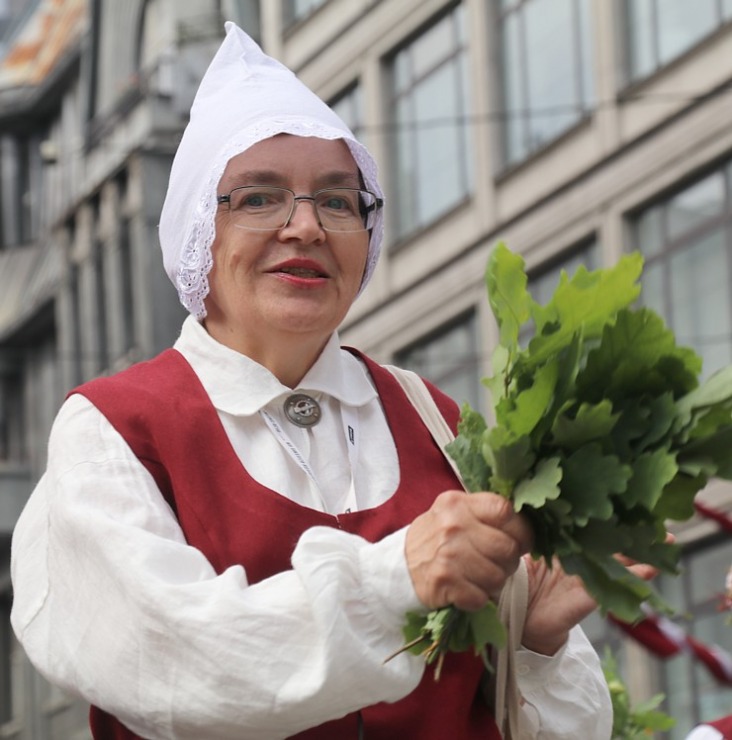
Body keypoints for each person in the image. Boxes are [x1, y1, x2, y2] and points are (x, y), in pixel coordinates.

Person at [10, 22, 643, 740]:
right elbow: (179, 660)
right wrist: (395, 581)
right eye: (258, 198)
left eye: (339, 202)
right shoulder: (114, 429)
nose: (306, 227)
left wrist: (537, 643)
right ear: (196, 232)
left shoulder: (438, 423)